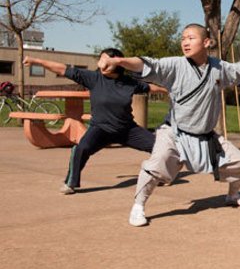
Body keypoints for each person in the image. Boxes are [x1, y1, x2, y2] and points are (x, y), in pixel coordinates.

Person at [98, 23, 240, 227]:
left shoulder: (220, 67)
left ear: (207, 42)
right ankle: (138, 206)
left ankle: (233, 195)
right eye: (183, 38)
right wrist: (119, 60)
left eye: (191, 38)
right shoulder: (175, 65)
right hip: (175, 132)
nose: (185, 42)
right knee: (156, 165)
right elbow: (148, 64)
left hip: (206, 135)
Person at [23, 48, 168, 195]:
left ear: (118, 63)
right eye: (101, 60)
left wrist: (169, 91)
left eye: (106, 61)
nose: (102, 64)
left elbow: (151, 87)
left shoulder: (129, 82)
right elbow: (62, 69)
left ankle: (161, 174)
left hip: (127, 129)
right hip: (101, 129)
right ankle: (70, 183)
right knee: (80, 149)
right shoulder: (93, 78)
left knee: (161, 148)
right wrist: (36, 61)